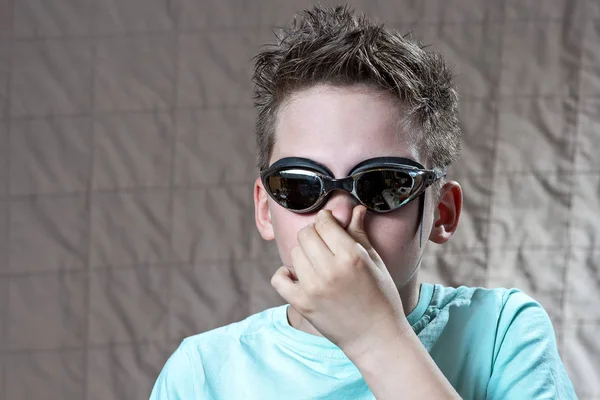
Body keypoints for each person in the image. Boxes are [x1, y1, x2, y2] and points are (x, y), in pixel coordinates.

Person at [150, 5, 576, 399]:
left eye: (383, 185)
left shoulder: (504, 332)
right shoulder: (201, 372)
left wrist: (375, 336)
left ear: (442, 213)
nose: (336, 216)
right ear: (265, 210)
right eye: (300, 186)